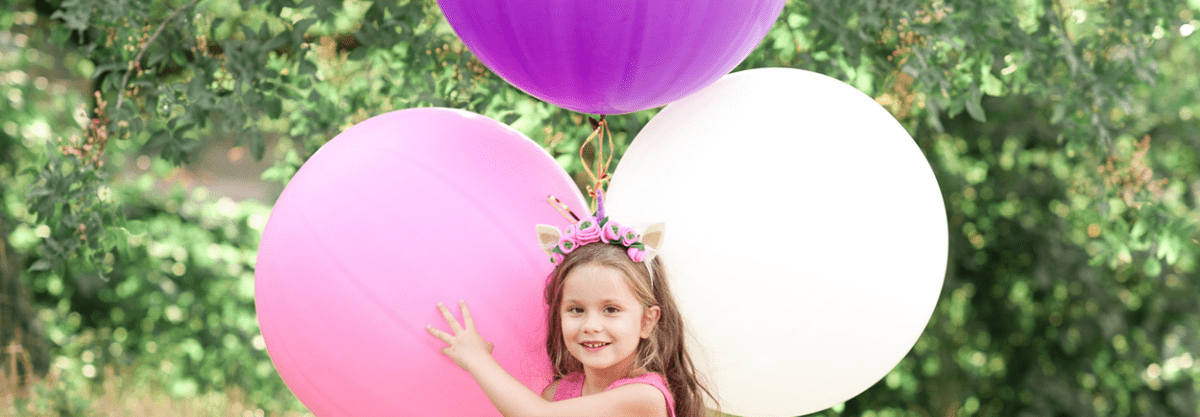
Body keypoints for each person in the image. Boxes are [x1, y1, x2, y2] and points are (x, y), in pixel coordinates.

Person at [427, 211, 717, 417]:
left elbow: (536, 415)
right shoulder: (558, 394)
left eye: (611, 310)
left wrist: (478, 359)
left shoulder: (644, 397)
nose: (591, 325)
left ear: (647, 320)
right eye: (576, 310)